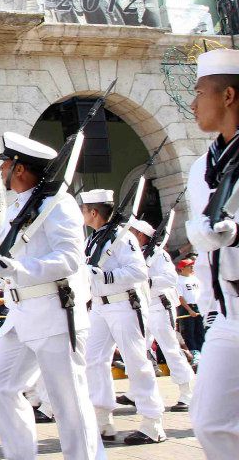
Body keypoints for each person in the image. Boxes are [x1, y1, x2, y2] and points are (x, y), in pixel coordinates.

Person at [0, 133, 101, 459]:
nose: (1, 169)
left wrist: (18, 269)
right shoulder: (18, 206)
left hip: (53, 311)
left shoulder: (57, 204)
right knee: (1, 386)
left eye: (5, 163)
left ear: (19, 169)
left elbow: (69, 258)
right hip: (21, 315)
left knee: (69, 402)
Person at [183, 48, 239, 459]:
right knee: (210, 421)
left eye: (200, 91)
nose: (192, 102)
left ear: (228, 96)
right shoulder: (201, 166)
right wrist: (210, 306)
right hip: (227, 311)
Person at [79, 188, 165, 444]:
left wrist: (105, 277)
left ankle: (152, 422)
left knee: (136, 361)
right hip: (99, 307)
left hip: (123, 305)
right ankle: (103, 417)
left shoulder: (122, 238)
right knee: (93, 359)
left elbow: (138, 272)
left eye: (84, 210)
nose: (82, 215)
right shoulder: (93, 239)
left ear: (94, 212)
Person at [128, 219, 194, 412]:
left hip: (160, 305)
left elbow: (170, 278)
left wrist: (147, 282)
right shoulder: (137, 253)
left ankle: (187, 393)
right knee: (138, 350)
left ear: (141, 235)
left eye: (132, 232)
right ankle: (136, 392)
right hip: (144, 306)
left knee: (170, 348)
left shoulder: (158, 254)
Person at [176, 258, 204, 353]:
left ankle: (201, 351)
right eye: (189, 265)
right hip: (186, 308)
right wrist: (189, 310)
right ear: (182, 268)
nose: (192, 267)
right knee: (189, 332)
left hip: (198, 306)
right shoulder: (178, 280)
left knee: (200, 330)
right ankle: (193, 352)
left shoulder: (195, 278)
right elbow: (180, 297)